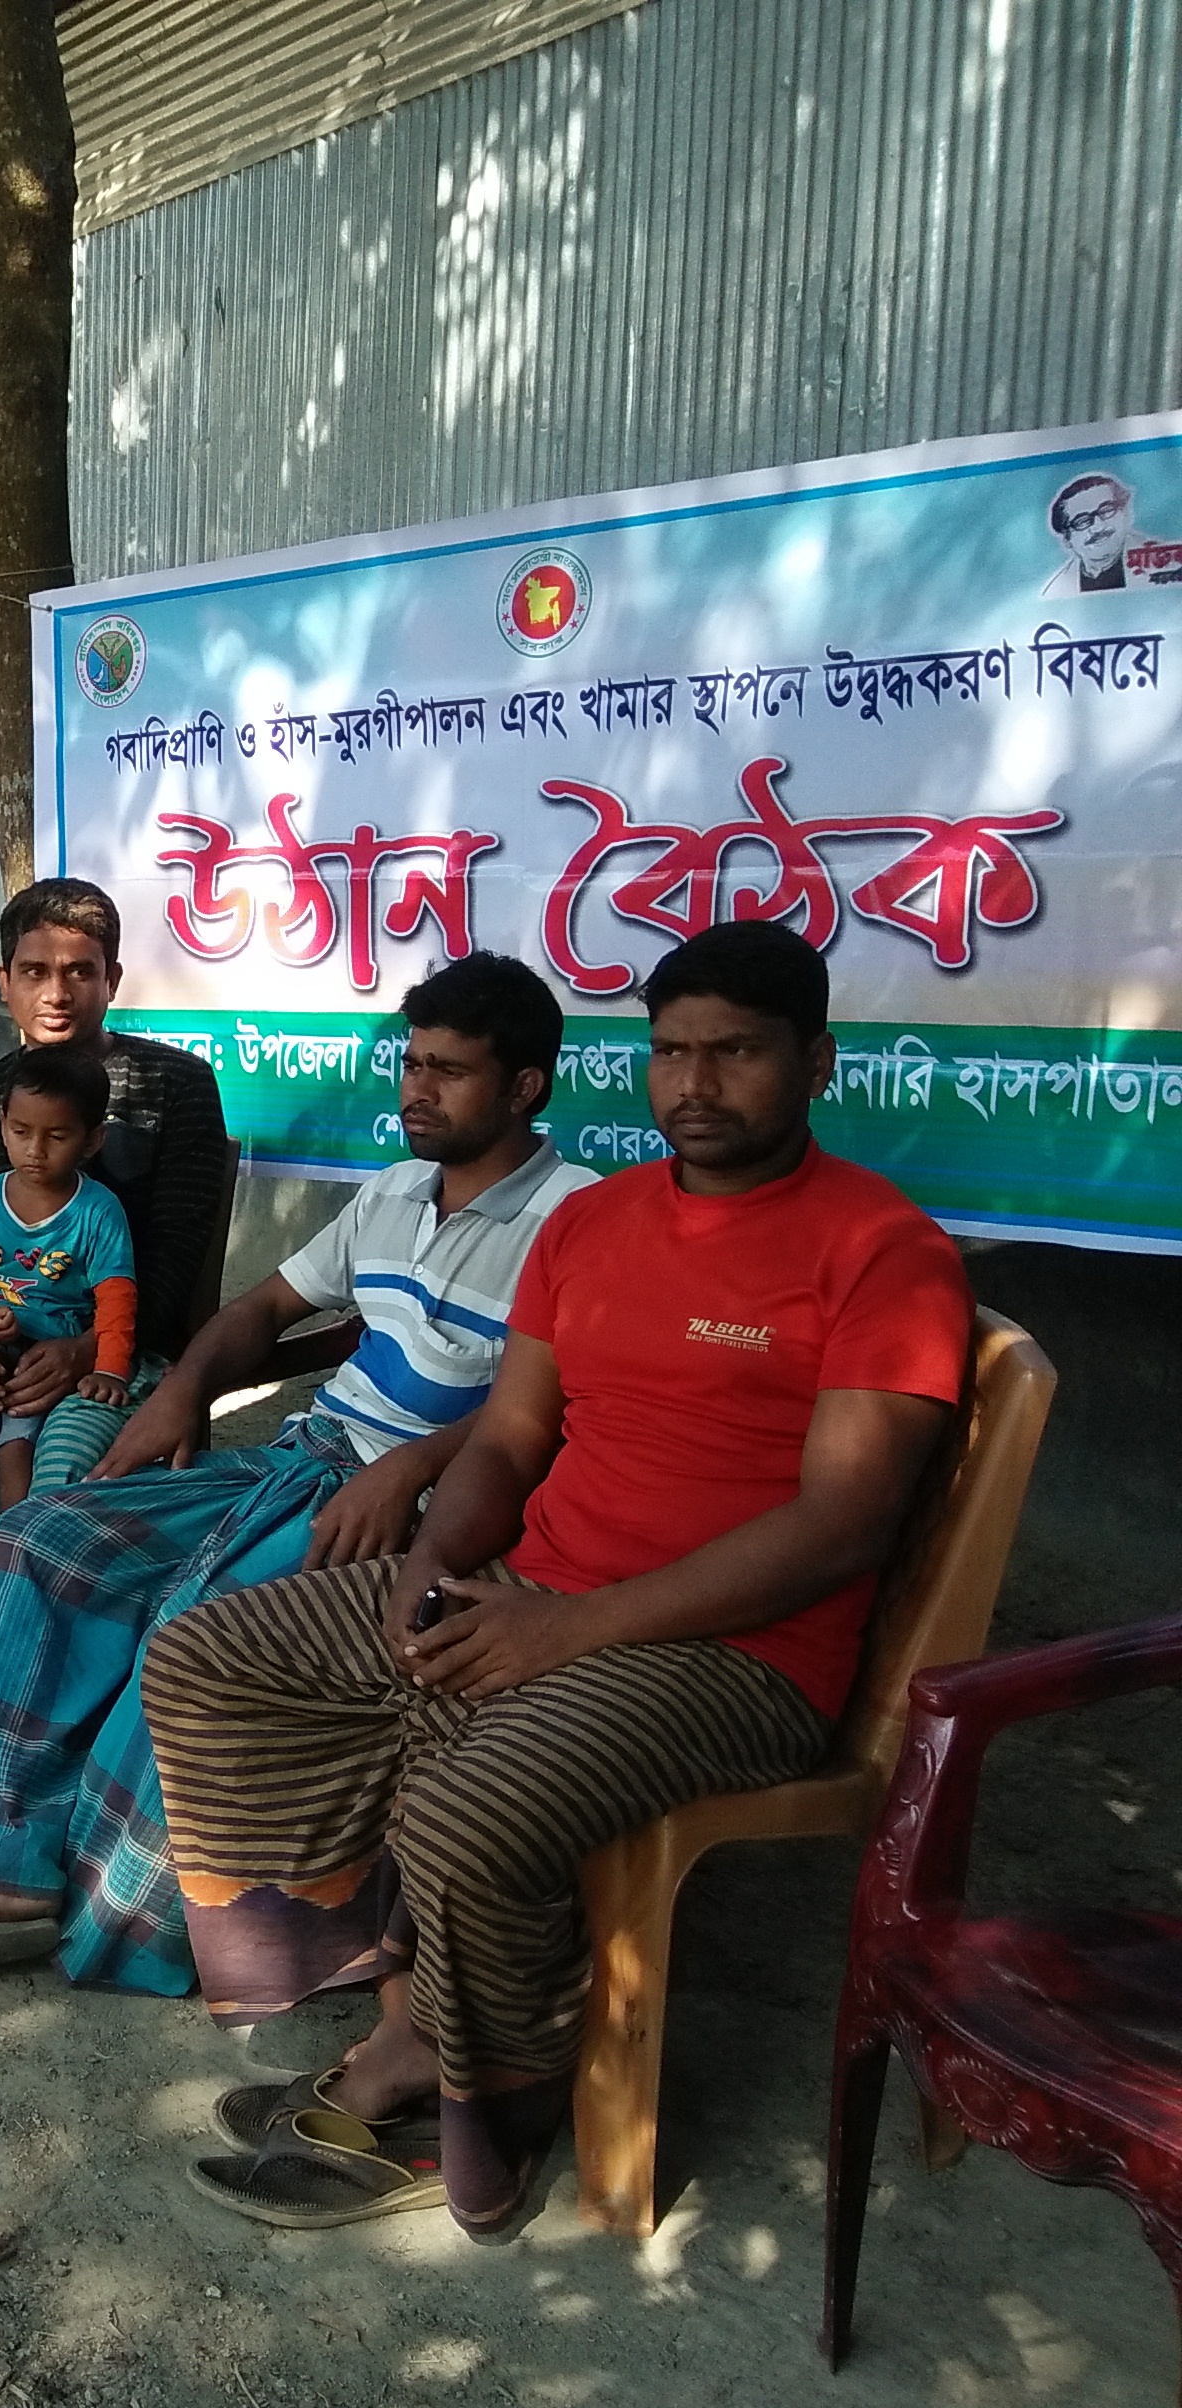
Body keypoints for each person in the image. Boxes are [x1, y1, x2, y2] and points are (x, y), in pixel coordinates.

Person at [146, 922, 974, 2238]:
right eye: (672, 1052)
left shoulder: (882, 1251)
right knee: (211, 1655)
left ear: (816, 1062)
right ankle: (401, 1986)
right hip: (532, 1585)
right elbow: (512, 1438)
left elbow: (842, 1525)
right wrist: (430, 1566)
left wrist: (567, 1630)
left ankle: (492, 2093)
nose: (695, 1083)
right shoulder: (593, 1222)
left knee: (466, 1812)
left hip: (736, 1655)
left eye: (737, 1053)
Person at [0, 953, 589, 1991]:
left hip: (414, 1504)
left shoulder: (577, 1222)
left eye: (449, 1071)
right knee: (39, 1538)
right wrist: (182, 1391)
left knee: (193, 1617)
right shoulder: (395, 1191)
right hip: (305, 1458)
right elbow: (265, 1309)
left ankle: (119, 1914)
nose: (417, 1089)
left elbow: (561, 1412)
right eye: (413, 1064)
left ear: (524, 1087)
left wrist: (410, 1468)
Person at [0, 879, 232, 1792]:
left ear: (113, 980)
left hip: (114, 1353)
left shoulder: (175, 1088)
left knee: (64, 1466)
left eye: (80, 971)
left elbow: (174, 1256)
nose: (57, 991)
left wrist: (88, 1350)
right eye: (34, 971)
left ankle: (31, 1712)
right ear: (4, 981)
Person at [0, 1047, 135, 1600]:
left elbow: (117, 1298)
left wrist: (110, 1368)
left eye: (57, 1136)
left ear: (92, 1140)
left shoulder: (98, 1212)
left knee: (18, 1438)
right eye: (21, 1132)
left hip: (48, 1358)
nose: (35, 1150)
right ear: (3, 1126)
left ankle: (9, 1546)